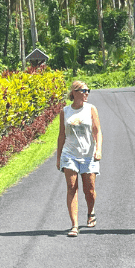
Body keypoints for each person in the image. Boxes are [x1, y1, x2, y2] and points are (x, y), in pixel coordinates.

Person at [56, 81, 103, 237]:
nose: (87, 93)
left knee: (89, 190)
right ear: (74, 92)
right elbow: (62, 135)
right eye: (83, 90)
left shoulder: (91, 109)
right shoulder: (65, 111)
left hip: (88, 155)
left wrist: (98, 150)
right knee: (71, 188)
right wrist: (58, 158)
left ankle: (91, 212)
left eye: (88, 90)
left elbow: (97, 132)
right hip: (69, 154)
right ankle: (74, 225)